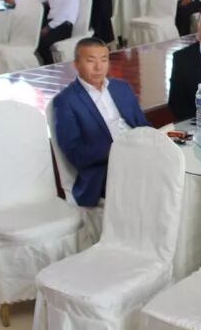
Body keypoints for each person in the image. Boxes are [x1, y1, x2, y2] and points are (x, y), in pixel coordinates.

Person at [51, 37, 151, 207]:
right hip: (104, 170)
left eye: (104, 60)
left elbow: (144, 126)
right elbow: (76, 154)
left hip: (140, 155)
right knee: (149, 183)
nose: (98, 67)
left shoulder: (121, 87)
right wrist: (118, 149)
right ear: (76, 65)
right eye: (91, 61)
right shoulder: (65, 101)